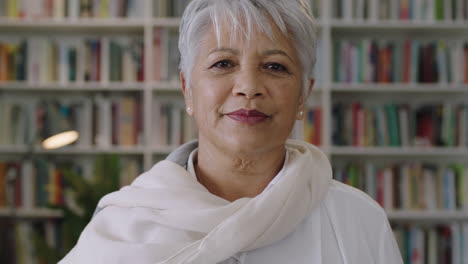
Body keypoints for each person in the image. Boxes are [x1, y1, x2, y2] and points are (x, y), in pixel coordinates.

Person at [60, 0, 403, 263]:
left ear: (304, 94)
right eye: (223, 63)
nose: (249, 87)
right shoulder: (125, 224)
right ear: (187, 89)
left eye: (274, 66)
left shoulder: (357, 220)